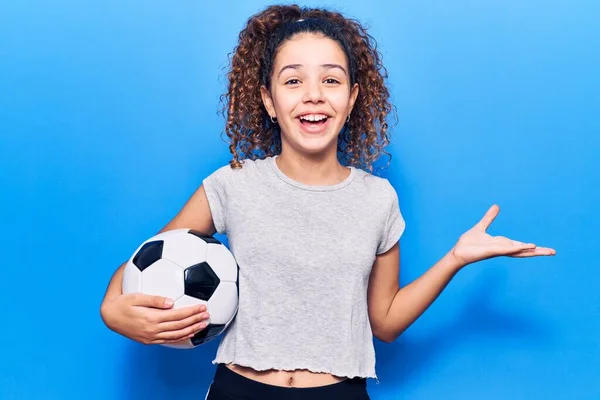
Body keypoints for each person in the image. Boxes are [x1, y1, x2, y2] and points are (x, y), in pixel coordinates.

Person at [100, 4, 556, 400]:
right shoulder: (231, 185)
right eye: (293, 80)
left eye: (331, 80)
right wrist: (111, 308)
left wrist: (455, 259)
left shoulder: (378, 199)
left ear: (353, 97)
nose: (313, 94)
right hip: (239, 393)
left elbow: (387, 322)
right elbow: (147, 261)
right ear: (269, 100)